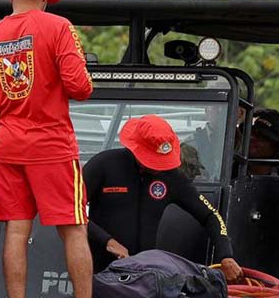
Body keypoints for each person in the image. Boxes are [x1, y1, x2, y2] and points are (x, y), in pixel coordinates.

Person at [0, 0, 115, 298]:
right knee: (74, 230)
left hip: (8, 148)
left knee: (16, 233)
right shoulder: (58, 27)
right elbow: (80, 86)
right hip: (51, 146)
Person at [83, 115, 244, 282]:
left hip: (143, 276)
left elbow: (211, 215)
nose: (156, 167)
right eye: (151, 159)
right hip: (98, 271)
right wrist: (107, 241)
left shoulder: (171, 176)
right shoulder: (104, 164)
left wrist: (225, 255)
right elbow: (71, 208)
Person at [245, 107, 279, 175]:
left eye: (261, 135)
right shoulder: (229, 168)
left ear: (276, 146)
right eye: (250, 132)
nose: (252, 137)